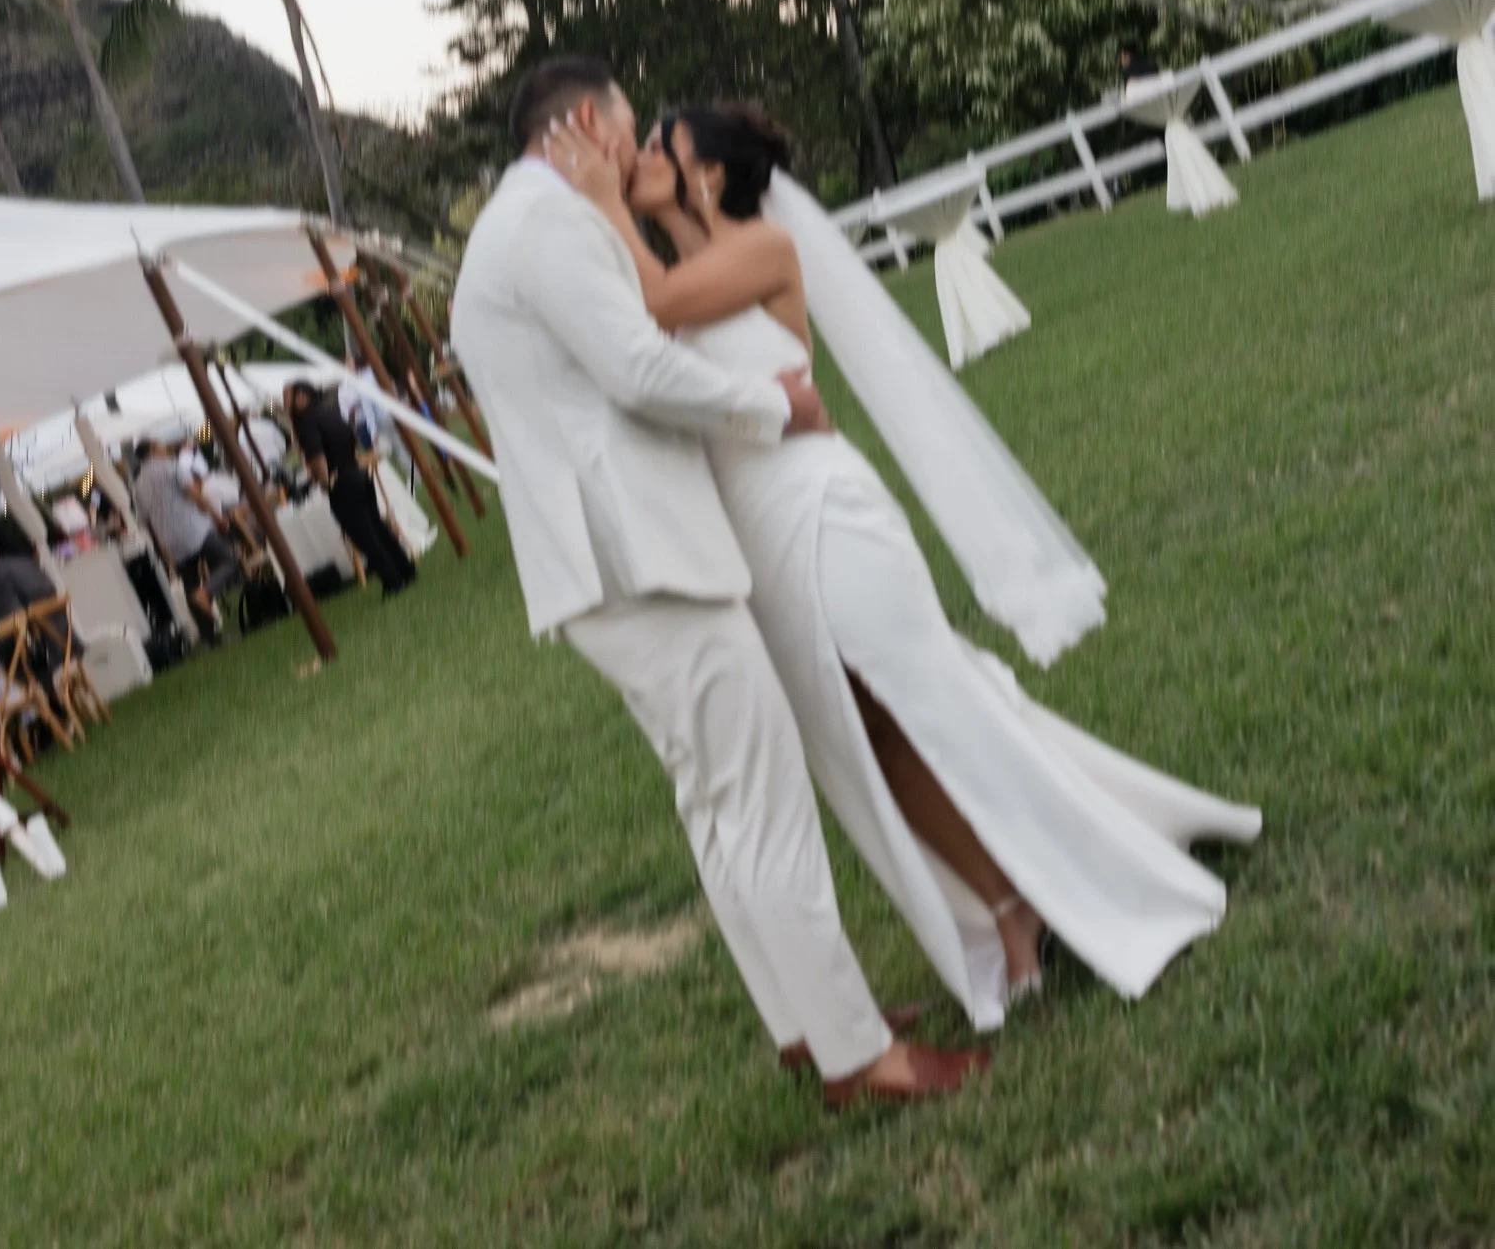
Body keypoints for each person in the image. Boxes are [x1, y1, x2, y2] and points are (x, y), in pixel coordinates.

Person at [546, 99, 1262, 1030]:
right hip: (759, 539)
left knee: (935, 708)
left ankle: (1095, 875)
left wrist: (603, 202)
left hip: (824, 514)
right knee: (872, 739)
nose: (638, 155)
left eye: (659, 146)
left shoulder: (761, 249)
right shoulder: (679, 270)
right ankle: (1010, 905)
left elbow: (651, 310)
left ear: (710, 176)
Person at [450, 54, 985, 1108]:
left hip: (606, 562)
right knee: (761, 796)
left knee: (716, 799)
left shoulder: (510, 230)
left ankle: (805, 1025)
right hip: (640, 555)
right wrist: (778, 406)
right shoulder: (550, 225)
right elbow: (638, 371)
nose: (633, 147)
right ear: (590, 126)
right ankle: (861, 1058)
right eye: (627, 126)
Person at [283, 384, 417, 598]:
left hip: (341, 481)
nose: (284, 403)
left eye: (286, 397)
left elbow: (317, 455)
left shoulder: (306, 421)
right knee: (377, 527)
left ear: (301, 397)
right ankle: (406, 569)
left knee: (363, 535)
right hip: (356, 473)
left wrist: (325, 482)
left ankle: (392, 580)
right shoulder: (329, 412)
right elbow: (351, 439)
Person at [133, 439, 242, 637]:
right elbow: (194, 494)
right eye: (161, 446)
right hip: (194, 529)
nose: (165, 448)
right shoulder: (171, 466)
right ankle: (206, 592)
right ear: (154, 450)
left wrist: (161, 549)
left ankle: (210, 635)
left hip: (170, 541)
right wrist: (217, 517)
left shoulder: (138, 486)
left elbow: (146, 523)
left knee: (190, 583)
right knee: (230, 560)